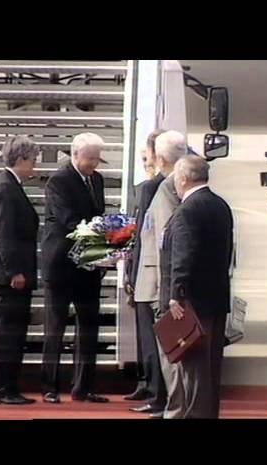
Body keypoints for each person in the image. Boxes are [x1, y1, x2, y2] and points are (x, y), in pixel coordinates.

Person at [160, 155, 233, 419]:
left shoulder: (187, 210)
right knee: (210, 367)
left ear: (182, 179)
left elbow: (183, 254)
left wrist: (176, 294)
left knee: (189, 367)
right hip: (214, 297)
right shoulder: (219, 205)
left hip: (190, 301)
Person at [40, 132, 109, 403]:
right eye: (90, 158)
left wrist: (103, 252)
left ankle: (83, 387)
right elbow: (69, 221)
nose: (94, 164)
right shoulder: (58, 181)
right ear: (75, 154)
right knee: (55, 328)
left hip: (88, 264)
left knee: (89, 327)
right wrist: (104, 238)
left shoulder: (97, 180)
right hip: (61, 264)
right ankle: (50, 387)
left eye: (97, 159)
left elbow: (98, 215)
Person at [132, 130, 187, 417]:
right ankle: (161, 396)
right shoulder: (167, 185)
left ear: (160, 156)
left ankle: (162, 399)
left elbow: (166, 237)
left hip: (156, 277)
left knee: (161, 345)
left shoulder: (165, 187)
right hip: (152, 274)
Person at [0, 136, 40, 405]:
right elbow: (3, 234)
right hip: (11, 275)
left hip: (16, 272)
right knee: (6, 333)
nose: (34, 167)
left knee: (14, 332)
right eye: (32, 161)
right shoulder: (5, 188)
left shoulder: (9, 186)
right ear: (20, 160)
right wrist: (14, 271)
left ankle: (8, 387)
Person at [123, 129, 167, 403]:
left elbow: (145, 234)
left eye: (145, 156)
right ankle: (146, 382)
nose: (144, 162)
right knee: (145, 335)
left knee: (151, 336)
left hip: (148, 269)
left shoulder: (153, 187)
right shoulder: (149, 185)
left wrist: (132, 269)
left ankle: (152, 386)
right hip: (141, 265)